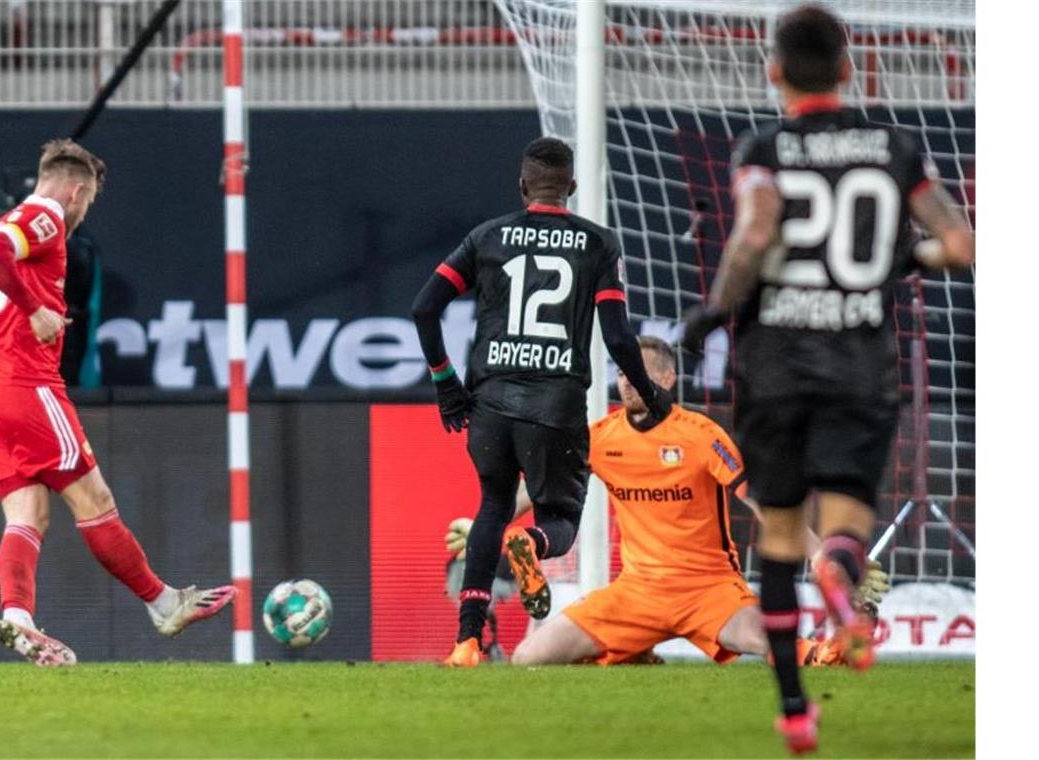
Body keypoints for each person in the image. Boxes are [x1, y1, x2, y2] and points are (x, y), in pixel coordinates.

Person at [681, 5, 975, 752]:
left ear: (774, 71)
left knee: (780, 535)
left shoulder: (763, 147)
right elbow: (957, 244)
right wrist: (901, 260)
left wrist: (715, 312)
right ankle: (843, 577)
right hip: (859, 362)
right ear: (848, 69)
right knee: (844, 523)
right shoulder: (895, 147)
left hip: (777, 360)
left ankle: (793, 710)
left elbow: (752, 233)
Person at [443, 337, 890, 668]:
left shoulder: (701, 437)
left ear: (667, 379)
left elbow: (763, 503)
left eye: (639, 374)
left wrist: (821, 554)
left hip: (708, 588)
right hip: (637, 591)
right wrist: (488, 522)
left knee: (767, 640)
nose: (627, 383)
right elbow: (541, 488)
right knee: (528, 658)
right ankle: (635, 653)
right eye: (621, 373)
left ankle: (828, 651)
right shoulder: (600, 437)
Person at [0, 139, 237, 666]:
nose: (82, 214)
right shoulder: (44, 214)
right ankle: (162, 603)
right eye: (86, 204)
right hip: (27, 387)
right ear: (78, 190)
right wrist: (35, 312)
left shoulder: (2, 230)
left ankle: (17, 617)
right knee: (96, 502)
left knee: (28, 515)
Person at [411, 136, 673, 667]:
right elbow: (620, 339)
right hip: (555, 406)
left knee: (491, 507)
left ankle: (466, 643)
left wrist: (445, 383)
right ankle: (532, 544)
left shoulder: (485, 237)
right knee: (561, 515)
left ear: (522, 185)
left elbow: (424, 308)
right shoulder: (598, 244)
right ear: (571, 188)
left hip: (490, 402)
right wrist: (652, 396)